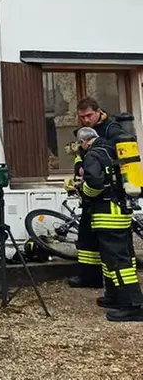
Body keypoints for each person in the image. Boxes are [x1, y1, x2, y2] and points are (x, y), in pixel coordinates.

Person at [77, 126, 143, 322]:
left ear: (84, 142)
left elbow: (95, 183)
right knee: (113, 259)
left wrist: (84, 194)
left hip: (107, 214)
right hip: (121, 211)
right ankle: (114, 297)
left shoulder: (93, 154)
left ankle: (134, 305)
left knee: (117, 262)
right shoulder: (112, 149)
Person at [69, 97, 124, 289]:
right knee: (86, 235)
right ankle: (89, 277)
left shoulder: (112, 130)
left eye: (89, 115)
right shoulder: (84, 133)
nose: (85, 120)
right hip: (90, 187)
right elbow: (78, 154)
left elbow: (118, 157)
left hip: (106, 192)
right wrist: (80, 169)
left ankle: (117, 286)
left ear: (99, 112)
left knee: (110, 243)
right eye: (82, 117)